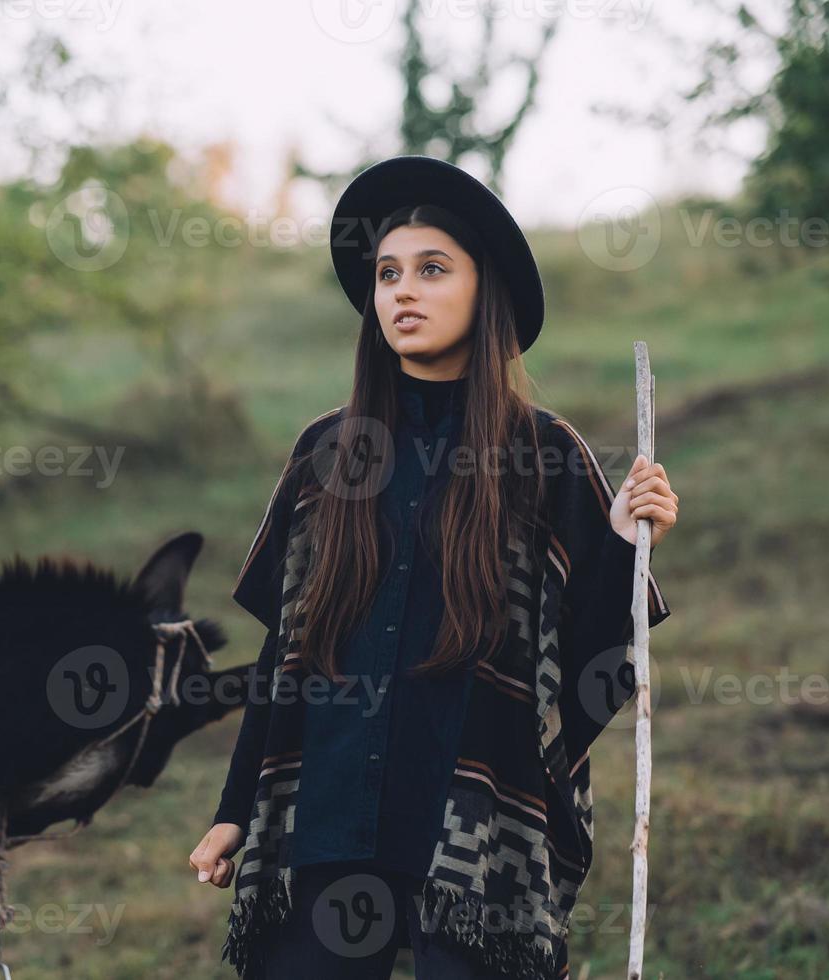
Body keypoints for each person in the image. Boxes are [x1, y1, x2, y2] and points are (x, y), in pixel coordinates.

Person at [187, 156, 679, 980]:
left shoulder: (546, 456)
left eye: (430, 269)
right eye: (386, 274)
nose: (400, 292)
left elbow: (595, 658)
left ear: (484, 293)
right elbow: (284, 659)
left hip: (475, 834)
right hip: (324, 817)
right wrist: (234, 810)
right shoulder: (325, 454)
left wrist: (628, 548)